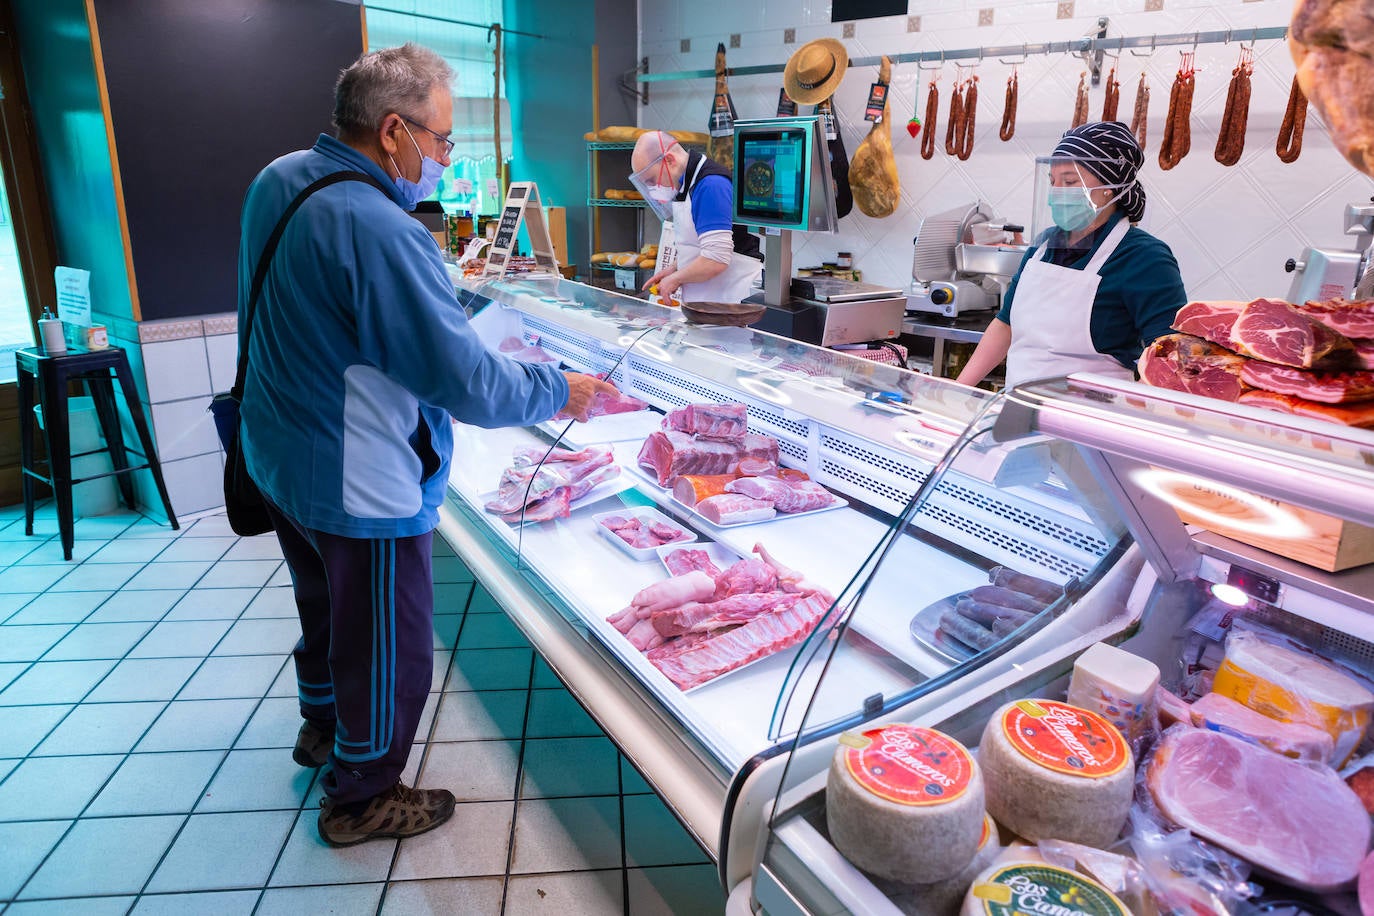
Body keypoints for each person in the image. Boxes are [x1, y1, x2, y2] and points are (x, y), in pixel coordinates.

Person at [236, 43, 614, 847]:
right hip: (358, 477)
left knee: (324, 610)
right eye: (443, 142)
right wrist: (559, 389)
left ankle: (322, 733)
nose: (446, 160)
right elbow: (465, 381)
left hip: (278, 452)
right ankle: (362, 796)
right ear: (394, 130)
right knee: (385, 642)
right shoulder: (380, 225)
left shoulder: (279, 177)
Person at [956, 121, 1187, 389]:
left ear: (1109, 187)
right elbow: (1004, 325)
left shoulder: (1146, 258)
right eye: (1052, 182)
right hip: (1018, 411)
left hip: (1093, 420)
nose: (1057, 191)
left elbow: (1170, 359)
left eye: (1070, 181)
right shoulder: (1042, 247)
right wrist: (958, 389)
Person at [628, 130, 763, 303]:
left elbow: (716, 259)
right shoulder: (687, 184)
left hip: (733, 302)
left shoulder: (711, 185)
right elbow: (698, 245)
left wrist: (676, 279)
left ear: (669, 160)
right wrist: (675, 268)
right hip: (710, 304)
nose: (653, 190)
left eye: (652, 181)